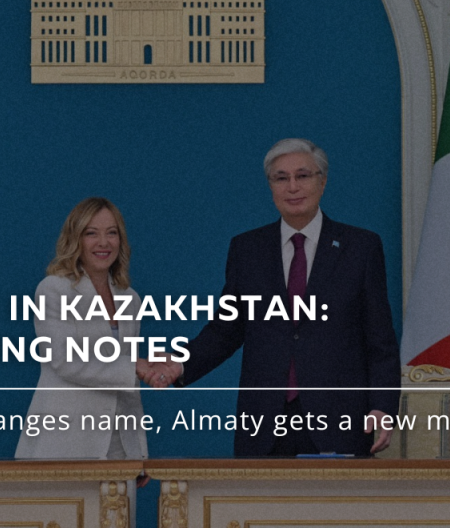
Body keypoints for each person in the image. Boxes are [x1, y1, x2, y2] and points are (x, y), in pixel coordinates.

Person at [145, 138, 401, 457]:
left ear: (322, 181)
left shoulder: (360, 248)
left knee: (337, 509)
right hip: (264, 422)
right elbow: (226, 330)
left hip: (340, 420)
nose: (292, 186)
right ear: (271, 186)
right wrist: (180, 364)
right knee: (259, 509)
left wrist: (383, 406)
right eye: (281, 178)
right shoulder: (247, 249)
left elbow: (380, 340)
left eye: (303, 176)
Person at [16, 197, 151, 469]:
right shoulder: (53, 289)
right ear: (75, 239)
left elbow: (128, 388)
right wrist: (137, 367)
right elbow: (66, 362)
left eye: (112, 233)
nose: (103, 243)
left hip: (119, 448)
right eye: (92, 233)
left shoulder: (131, 298)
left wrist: (139, 453)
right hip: (64, 443)